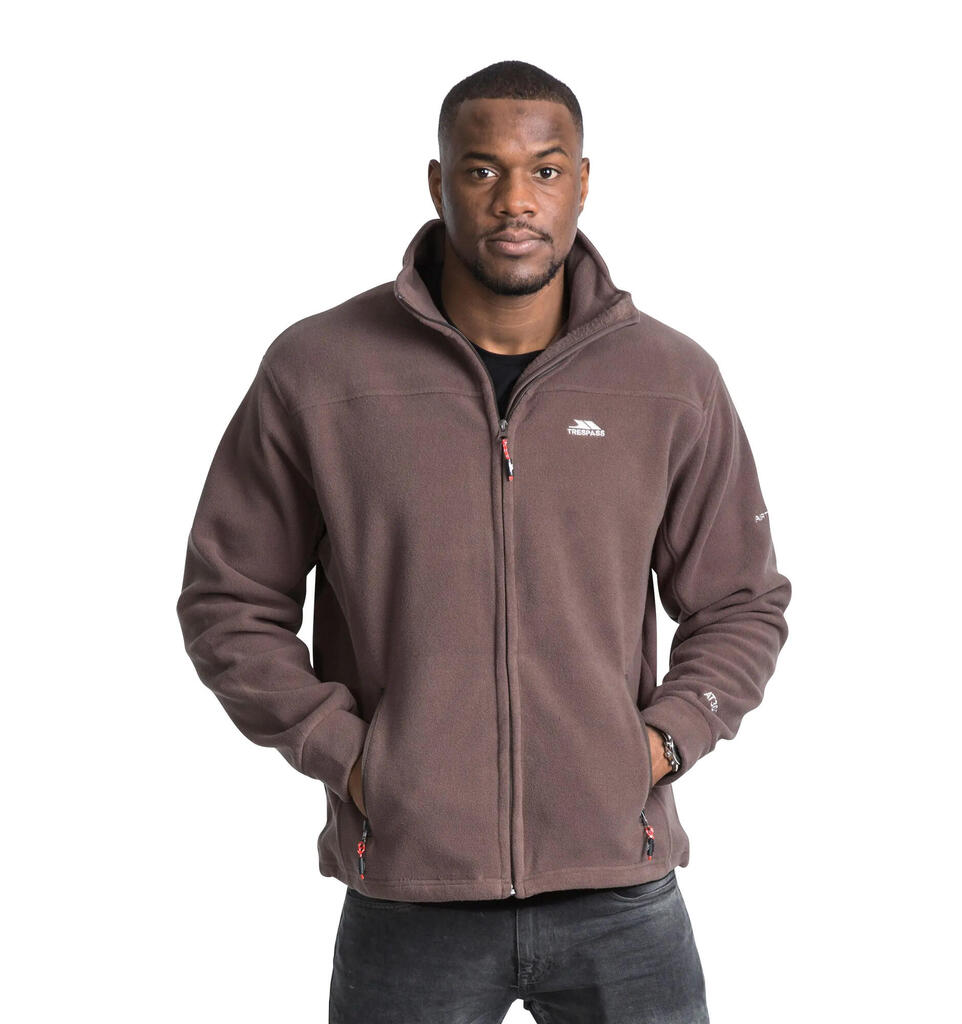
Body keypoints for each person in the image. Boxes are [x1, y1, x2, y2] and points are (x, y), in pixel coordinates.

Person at [176, 60, 791, 1024]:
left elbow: (742, 601)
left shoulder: (670, 380)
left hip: (619, 889)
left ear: (582, 183)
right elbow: (228, 601)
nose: (516, 200)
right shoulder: (321, 371)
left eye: (545, 170)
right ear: (438, 182)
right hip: (409, 894)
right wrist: (353, 757)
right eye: (481, 170)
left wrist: (663, 742)